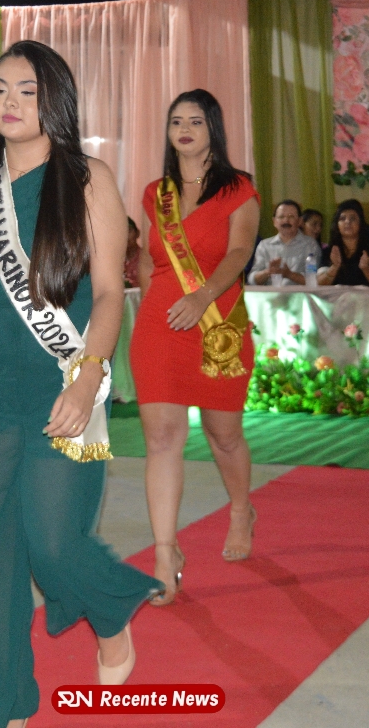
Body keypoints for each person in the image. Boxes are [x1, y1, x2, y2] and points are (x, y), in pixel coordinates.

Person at [0, 40, 160, 728]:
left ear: (54, 100)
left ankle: (111, 606)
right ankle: (1, 707)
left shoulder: (88, 179)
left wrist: (89, 379)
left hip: (63, 383)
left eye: (27, 90)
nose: (10, 102)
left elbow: (110, 294)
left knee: (55, 545)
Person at [130, 88, 261, 608]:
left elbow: (240, 252)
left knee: (223, 435)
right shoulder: (154, 194)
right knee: (162, 439)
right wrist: (152, 305)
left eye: (196, 121)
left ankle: (241, 509)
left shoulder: (238, 188)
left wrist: (202, 296)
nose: (184, 130)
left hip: (218, 322)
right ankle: (165, 554)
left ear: (214, 130)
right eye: (176, 121)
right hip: (161, 324)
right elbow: (146, 259)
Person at [248, 199, 321, 285]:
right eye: (281, 217)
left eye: (291, 217)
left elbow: (314, 280)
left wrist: (289, 274)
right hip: (271, 293)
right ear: (274, 221)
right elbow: (252, 280)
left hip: (300, 293)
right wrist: (268, 271)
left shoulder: (310, 245)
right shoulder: (264, 245)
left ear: (300, 221)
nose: (286, 221)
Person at [317, 200, 369, 286]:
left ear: (360, 223)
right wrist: (334, 267)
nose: (347, 222)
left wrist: (366, 268)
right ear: (337, 225)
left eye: (352, 218)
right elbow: (319, 284)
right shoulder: (329, 252)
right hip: (337, 294)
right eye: (342, 219)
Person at [123, 216, 141, 287]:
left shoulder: (146, 259)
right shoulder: (115, 261)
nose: (126, 236)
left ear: (137, 233)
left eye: (129, 231)